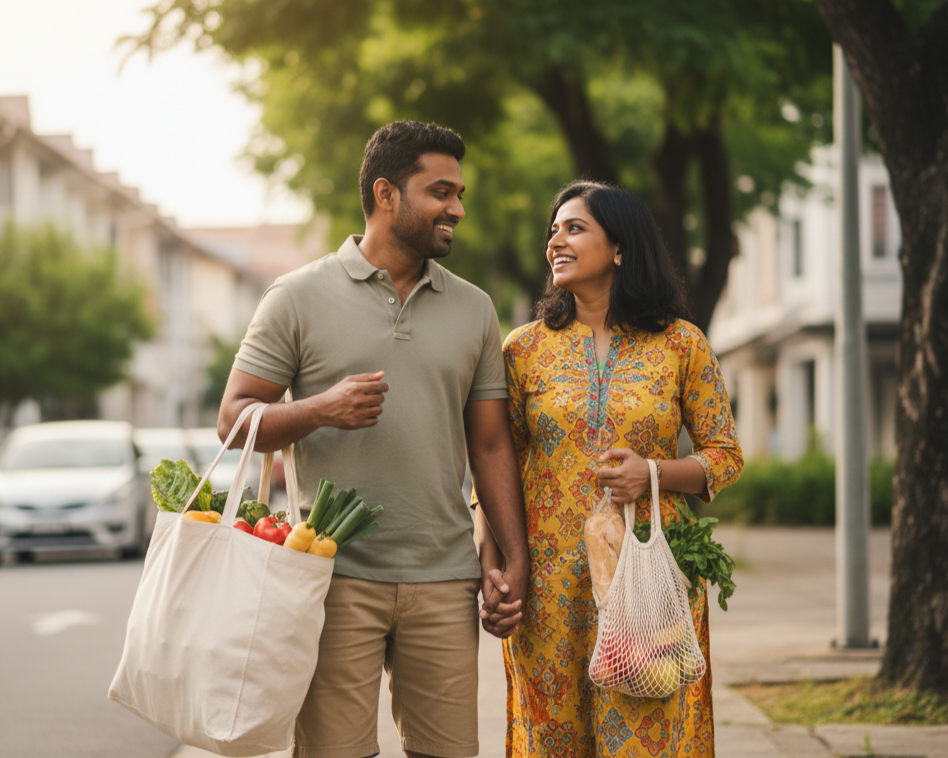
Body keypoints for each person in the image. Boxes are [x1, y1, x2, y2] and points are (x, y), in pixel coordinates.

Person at [218, 121, 528, 758]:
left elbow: (492, 447)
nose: (457, 209)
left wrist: (511, 556)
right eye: (440, 192)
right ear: (386, 195)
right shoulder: (296, 296)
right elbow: (234, 418)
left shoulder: (474, 309)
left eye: (459, 194)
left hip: (445, 576)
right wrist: (319, 410)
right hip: (331, 575)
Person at [475, 181, 743, 756]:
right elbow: (496, 465)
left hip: (648, 578)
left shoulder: (681, 345)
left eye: (574, 228)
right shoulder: (523, 349)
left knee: (644, 739)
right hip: (548, 584)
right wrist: (492, 567)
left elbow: (725, 455)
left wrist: (655, 472)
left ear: (620, 247)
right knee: (551, 739)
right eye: (553, 230)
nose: (556, 241)